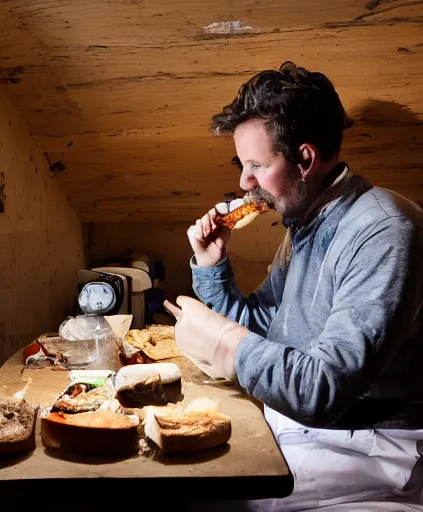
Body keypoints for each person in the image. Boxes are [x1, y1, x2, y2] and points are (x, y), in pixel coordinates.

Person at [163, 62, 423, 511]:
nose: (244, 184)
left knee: (199, 496)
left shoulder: (384, 232)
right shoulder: (306, 219)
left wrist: (226, 345)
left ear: (305, 159)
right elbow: (267, 325)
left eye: (257, 166)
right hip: (306, 429)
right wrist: (212, 267)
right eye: (241, 165)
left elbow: (323, 389)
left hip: (368, 448)